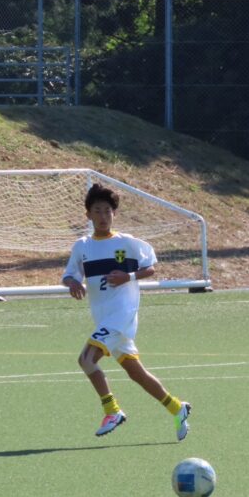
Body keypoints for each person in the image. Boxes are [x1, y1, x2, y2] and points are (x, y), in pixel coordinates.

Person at [61, 183, 191, 440]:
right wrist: (73, 283)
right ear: (88, 215)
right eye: (97, 211)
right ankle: (177, 408)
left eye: (107, 211)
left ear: (114, 214)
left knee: (86, 359)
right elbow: (68, 275)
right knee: (136, 372)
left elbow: (150, 267)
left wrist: (128, 276)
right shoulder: (82, 246)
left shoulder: (127, 243)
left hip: (122, 315)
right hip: (103, 317)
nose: (103, 216)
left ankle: (112, 410)